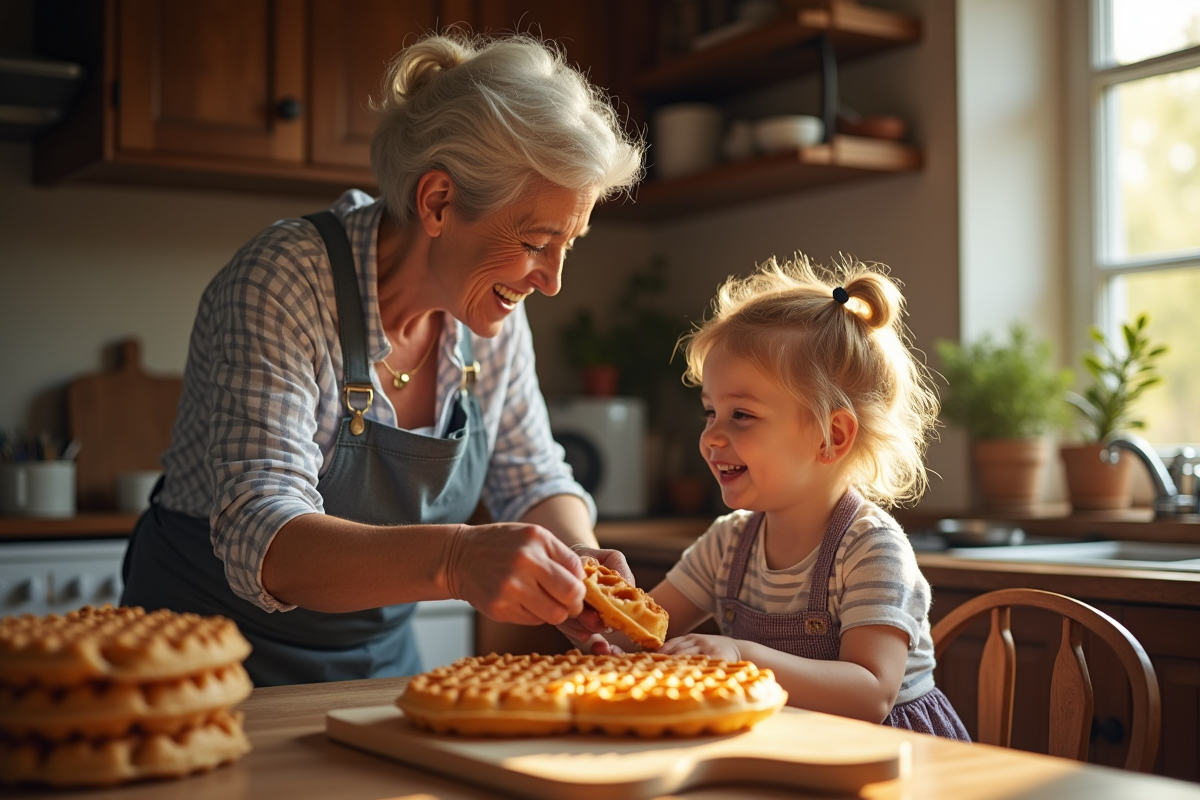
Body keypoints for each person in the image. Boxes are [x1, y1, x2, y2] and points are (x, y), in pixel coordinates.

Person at [120, 32, 645, 686]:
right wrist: (456, 560)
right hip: (202, 661)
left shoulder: (490, 311)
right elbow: (264, 534)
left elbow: (532, 476)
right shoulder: (285, 281)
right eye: (539, 242)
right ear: (438, 202)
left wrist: (578, 562)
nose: (553, 280)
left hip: (377, 662)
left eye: (569, 243)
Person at [586, 254, 970, 740]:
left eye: (741, 415)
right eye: (710, 412)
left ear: (831, 436)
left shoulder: (871, 550)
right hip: (790, 742)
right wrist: (598, 630)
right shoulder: (728, 545)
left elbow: (871, 693)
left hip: (895, 756)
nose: (711, 436)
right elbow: (647, 632)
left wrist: (743, 657)